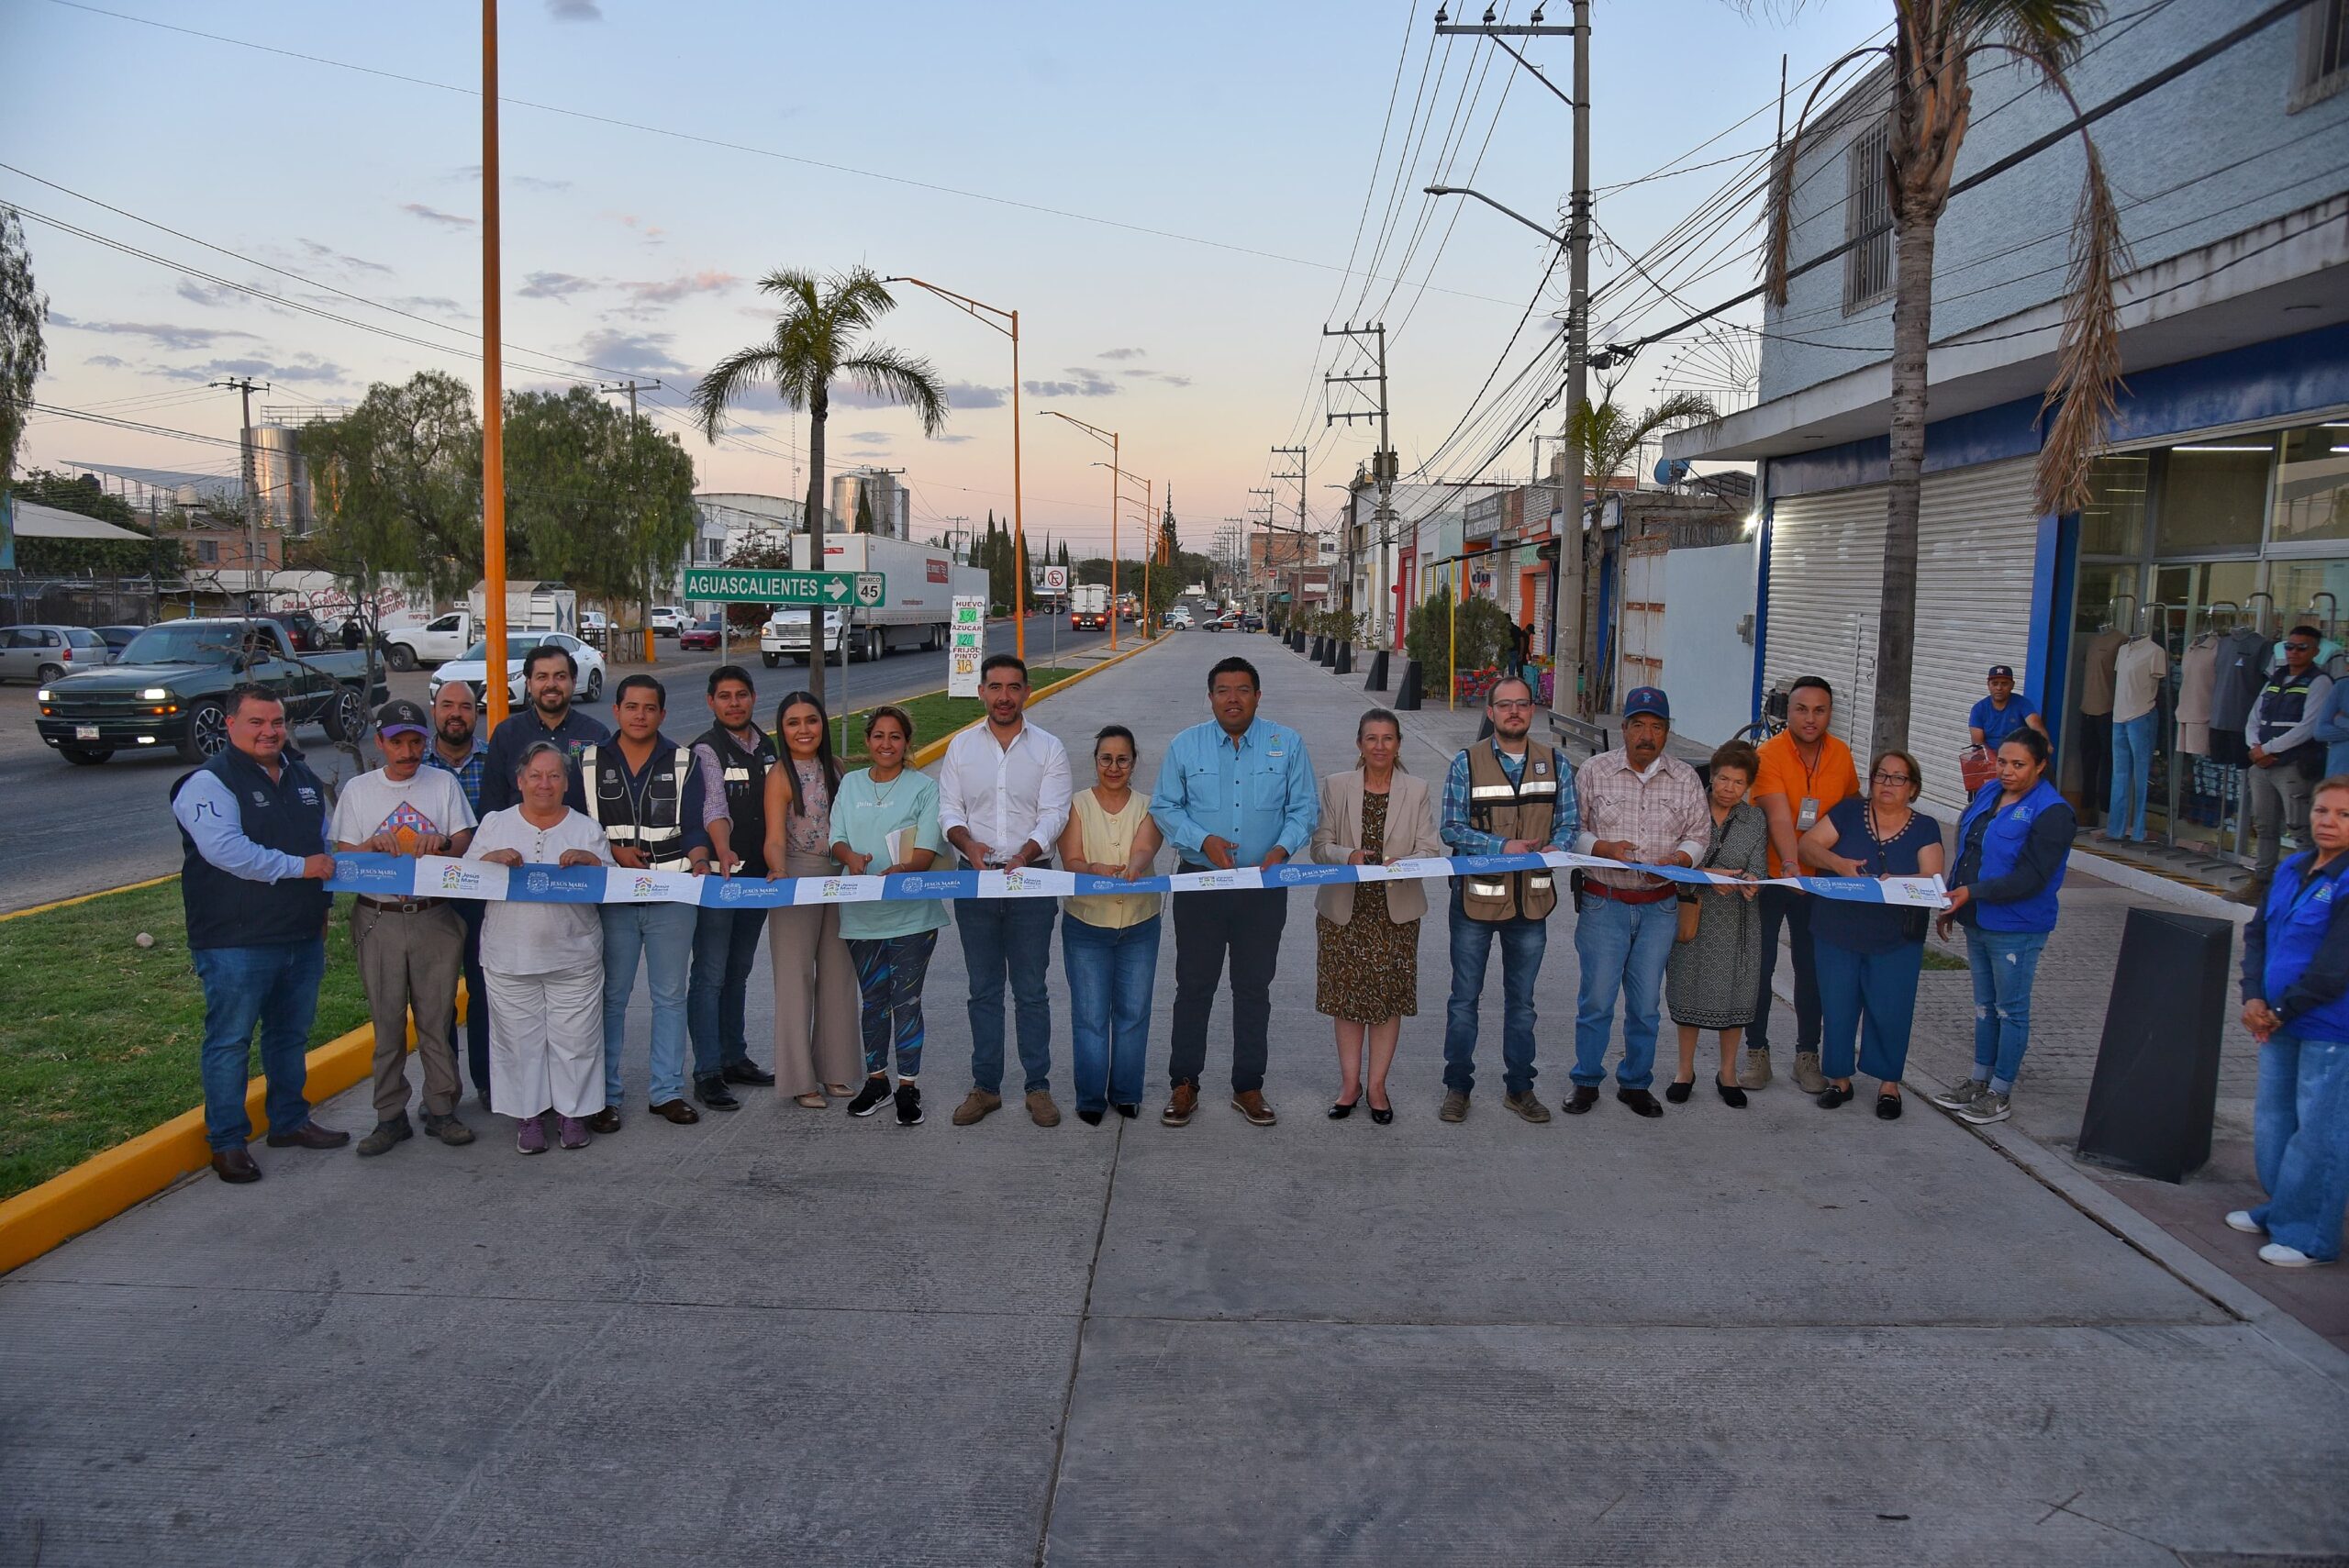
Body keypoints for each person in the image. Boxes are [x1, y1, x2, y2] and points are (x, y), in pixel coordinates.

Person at [169, 684, 351, 1182]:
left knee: (289, 1037)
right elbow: (228, 852)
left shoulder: (301, 774)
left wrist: (325, 896)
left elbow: (326, 842)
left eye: (276, 722)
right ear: (229, 725)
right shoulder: (207, 784)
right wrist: (303, 868)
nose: (269, 731)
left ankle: (289, 1121)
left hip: (299, 933)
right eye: (256, 722)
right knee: (229, 1041)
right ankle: (227, 1141)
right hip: (235, 940)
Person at [1149, 656, 1319, 1129]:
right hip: (1201, 883)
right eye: (1223, 690)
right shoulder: (1186, 746)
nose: (1233, 699)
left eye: (1243, 690)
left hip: (1264, 888)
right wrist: (1201, 839)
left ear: (1258, 696)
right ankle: (1184, 1084)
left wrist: (1281, 851)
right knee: (1194, 986)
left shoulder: (1287, 744)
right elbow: (1165, 806)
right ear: (1210, 697)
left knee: (1253, 988)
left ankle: (1248, 1085)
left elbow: (1304, 808)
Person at [330, 698, 478, 1157]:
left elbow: (466, 841)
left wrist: (444, 842)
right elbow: (342, 855)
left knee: (436, 1020)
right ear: (380, 744)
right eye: (398, 742)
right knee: (388, 1023)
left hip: (434, 915)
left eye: (416, 741)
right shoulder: (359, 790)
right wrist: (372, 845)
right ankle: (389, 1116)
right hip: (380, 918)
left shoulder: (443, 783)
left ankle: (442, 1108)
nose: (408, 751)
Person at [1437, 676, 1578, 1125]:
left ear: (1532, 710)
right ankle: (1458, 1087)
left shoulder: (1556, 764)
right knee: (1464, 1000)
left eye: (1522, 704)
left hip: (1530, 905)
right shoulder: (1467, 764)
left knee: (1522, 1004)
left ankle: (1520, 1088)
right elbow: (1451, 829)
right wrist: (1502, 848)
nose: (1514, 712)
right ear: (1491, 712)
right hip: (1475, 904)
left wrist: (1559, 845)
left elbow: (1570, 823)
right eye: (1505, 705)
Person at [941, 653, 1074, 1128]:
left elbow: (1055, 813)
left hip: (1032, 880)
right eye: (994, 687)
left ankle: (1037, 1087)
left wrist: (1023, 855)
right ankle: (986, 1087)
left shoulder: (1049, 748)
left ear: (1026, 692)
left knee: (1032, 990)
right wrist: (969, 845)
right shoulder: (960, 748)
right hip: (975, 879)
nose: (1003, 696)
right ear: (981, 692)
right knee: (982, 989)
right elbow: (949, 812)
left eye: (1013, 687)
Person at [582, 674, 717, 1132]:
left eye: (650, 708)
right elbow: (573, 827)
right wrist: (610, 851)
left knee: (670, 997)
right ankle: (603, 1095)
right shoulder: (587, 763)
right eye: (632, 707)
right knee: (611, 998)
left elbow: (696, 826)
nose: (641, 715)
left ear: (663, 713)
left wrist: (700, 858)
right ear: (616, 711)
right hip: (612, 896)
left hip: (673, 894)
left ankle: (666, 1092)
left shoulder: (684, 761)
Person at [466, 741, 616, 1152]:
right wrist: (488, 860)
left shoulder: (586, 828)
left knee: (577, 1040)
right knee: (518, 1043)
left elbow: (612, 885)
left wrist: (593, 862)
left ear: (567, 783)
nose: (544, 784)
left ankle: (573, 1115)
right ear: (520, 781)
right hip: (508, 956)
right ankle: (528, 1117)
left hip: (574, 955)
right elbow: (465, 878)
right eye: (535, 775)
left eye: (553, 776)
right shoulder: (495, 825)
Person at [1569, 686, 1709, 1118]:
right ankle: (1586, 1081)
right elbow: (1570, 829)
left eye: (1657, 726)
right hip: (1603, 902)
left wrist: (1682, 858)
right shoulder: (1594, 771)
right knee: (1596, 1000)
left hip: (1660, 907)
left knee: (1646, 1006)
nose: (1647, 735)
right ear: (1624, 728)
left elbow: (1699, 834)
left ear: (1667, 732)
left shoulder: (1685, 777)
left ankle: (1634, 1082)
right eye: (1639, 725)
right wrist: (1602, 848)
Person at [1932, 728, 2076, 1126]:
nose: (2007, 771)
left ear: (2041, 766)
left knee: (2010, 1010)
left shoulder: (2053, 812)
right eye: (2002, 762)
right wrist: (1954, 901)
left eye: (2019, 765)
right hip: (1977, 918)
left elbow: (2031, 877)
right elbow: (1970, 852)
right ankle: (1978, 1080)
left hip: (2017, 927)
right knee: (1984, 1007)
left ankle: (2000, 1091)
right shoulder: (1990, 794)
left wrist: (1970, 893)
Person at [2232, 773, 2349, 1268]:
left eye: (2344, 815)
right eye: (2323, 810)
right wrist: (2253, 996)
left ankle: (2310, 1236)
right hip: (2277, 1020)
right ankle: (2280, 1208)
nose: (2329, 821)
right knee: (2275, 1120)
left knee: (2318, 1133)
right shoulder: (2294, 866)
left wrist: (2280, 1011)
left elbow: (2335, 965)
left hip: (2328, 1027)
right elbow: (2258, 935)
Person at [1313, 708, 1444, 1125]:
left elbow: (1431, 849)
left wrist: (1404, 863)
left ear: (1399, 744)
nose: (1380, 746)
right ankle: (1349, 1086)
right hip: (1345, 912)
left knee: (1388, 1002)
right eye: (1372, 738)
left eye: (1388, 738)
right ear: (1359, 744)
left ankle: (1377, 1087)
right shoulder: (1337, 786)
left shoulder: (1417, 788)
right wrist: (1346, 856)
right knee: (1348, 1001)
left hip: (1396, 913)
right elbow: (1320, 846)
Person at [1799, 749, 1944, 1118]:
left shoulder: (1925, 826)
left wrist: (1893, 882)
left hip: (1896, 937)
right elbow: (1808, 845)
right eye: (1881, 775)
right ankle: (1840, 1081)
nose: (1888, 784)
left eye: (1898, 778)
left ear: (1913, 788)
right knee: (1838, 1006)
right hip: (1837, 929)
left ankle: (1888, 1085)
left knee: (1890, 1010)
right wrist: (1837, 863)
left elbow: (1932, 877)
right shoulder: (1849, 812)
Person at [832, 705, 948, 1128]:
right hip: (861, 915)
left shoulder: (923, 787)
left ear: (906, 743)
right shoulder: (849, 783)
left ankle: (908, 1086)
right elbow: (836, 839)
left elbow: (927, 847)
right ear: (868, 741)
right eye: (878, 736)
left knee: (907, 1001)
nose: (886, 744)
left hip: (912, 917)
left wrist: (904, 869)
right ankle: (876, 1079)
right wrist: (851, 858)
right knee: (874, 1002)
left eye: (895, 737)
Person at [1745, 675, 1861, 1093]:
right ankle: (1756, 1051)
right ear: (1787, 712)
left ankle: (1806, 1054)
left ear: (1830, 713)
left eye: (1819, 710)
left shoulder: (1842, 755)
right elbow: (1777, 815)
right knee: (1761, 965)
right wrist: (1791, 865)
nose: (1810, 718)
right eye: (1801, 709)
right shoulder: (1769, 754)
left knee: (1811, 969)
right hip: (1775, 875)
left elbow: (1849, 813)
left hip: (1822, 882)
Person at [1057, 724, 1166, 1125]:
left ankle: (1126, 1092)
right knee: (1089, 1016)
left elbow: (1144, 847)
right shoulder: (1076, 805)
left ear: (1134, 762)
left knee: (1134, 1013)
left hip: (1140, 923)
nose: (1114, 767)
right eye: (1107, 759)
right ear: (1096, 761)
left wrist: (1134, 868)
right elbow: (1071, 861)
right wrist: (1093, 869)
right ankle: (1089, 1097)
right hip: (1086, 925)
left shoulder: (1150, 806)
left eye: (1123, 759)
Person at [762, 691, 861, 1108]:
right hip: (796, 877)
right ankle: (800, 1079)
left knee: (839, 976)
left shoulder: (836, 768)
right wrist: (780, 873)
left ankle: (835, 1071)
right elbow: (773, 838)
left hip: (837, 876)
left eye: (811, 720)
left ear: (823, 724)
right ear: (782, 731)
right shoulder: (780, 774)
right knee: (795, 980)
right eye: (793, 723)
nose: (804, 730)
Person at [686, 665, 778, 1110]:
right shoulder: (706, 749)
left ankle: (733, 1056)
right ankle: (707, 1071)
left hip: (761, 877)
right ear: (711, 702)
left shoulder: (768, 746)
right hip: (721, 880)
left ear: (753, 697)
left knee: (738, 970)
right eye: (724, 696)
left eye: (741, 694)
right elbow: (712, 806)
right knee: (710, 974)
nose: (734, 703)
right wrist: (721, 849)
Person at [1664, 740, 1767, 1108]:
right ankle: (1684, 1070)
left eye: (1738, 783)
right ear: (1711, 776)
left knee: (1736, 995)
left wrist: (1753, 882)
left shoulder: (1754, 819)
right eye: (1723, 778)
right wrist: (1706, 875)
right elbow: (1669, 864)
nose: (1728, 788)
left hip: (1737, 920)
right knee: (1688, 990)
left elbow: (1759, 866)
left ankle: (1727, 1072)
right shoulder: (1688, 811)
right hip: (1695, 914)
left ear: (1748, 786)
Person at [422, 681, 494, 1109]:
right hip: (432, 897)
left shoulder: (494, 760)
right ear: (434, 710)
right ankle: (442, 1089)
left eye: (465, 707)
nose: (456, 714)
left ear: (476, 713)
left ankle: (490, 1082)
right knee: (437, 998)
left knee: (486, 991)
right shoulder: (416, 763)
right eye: (447, 705)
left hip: (485, 894)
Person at [2243, 627, 2334, 887]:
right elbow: (2254, 718)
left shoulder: (2319, 682)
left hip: (2293, 766)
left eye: (2301, 648)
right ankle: (2260, 881)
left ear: (2315, 651)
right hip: (2262, 765)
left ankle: (2305, 884)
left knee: (2300, 828)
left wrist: (2268, 750)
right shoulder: (2275, 678)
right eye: (2289, 647)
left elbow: (2308, 727)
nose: (2293, 652)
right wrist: (2255, 747)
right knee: (2264, 826)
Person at [479, 642, 608, 815]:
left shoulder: (596, 734)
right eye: (542, 677)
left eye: (560, 676)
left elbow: (608, 802)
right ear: (529, 684)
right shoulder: (506, 734)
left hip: (580, 839)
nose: (551, 684)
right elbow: (492, 802)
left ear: (574, 681)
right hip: (518, 840)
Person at [1967, 665, 2046, 751]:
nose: (1999, 688)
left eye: (2004, 683)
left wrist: (2045, 745)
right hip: (1989, 759)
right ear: (1988, 685)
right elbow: (1978, 744)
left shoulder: (2022, 703)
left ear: (2012, 685)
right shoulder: (1979, 709)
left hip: (2018, 756)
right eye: (1995, 684)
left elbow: (2035, 724)